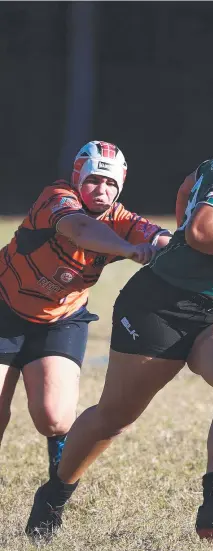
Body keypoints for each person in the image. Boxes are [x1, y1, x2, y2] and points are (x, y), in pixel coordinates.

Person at [26, 63, 213, 543]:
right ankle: (54, 493)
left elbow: (186, 192)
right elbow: (201, 230)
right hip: (163, 305)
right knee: (114, 417)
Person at [0, 140, 171, 480]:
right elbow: (81, 230)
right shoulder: (57, 198)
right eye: (94, 180)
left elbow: (158, 237)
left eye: (111, 184)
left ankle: (57, 476)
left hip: (60, 320)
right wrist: (127, 249)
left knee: (54, 417)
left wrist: (168, 245)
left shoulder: (121, 219)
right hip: (5, 306)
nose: (101, 190)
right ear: (78, 178)